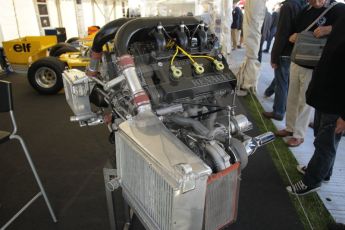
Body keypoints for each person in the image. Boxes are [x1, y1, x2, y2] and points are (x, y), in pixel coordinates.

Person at [286, 10, 345, 196]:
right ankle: (324, 172)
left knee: (325, 143)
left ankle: (311, 181)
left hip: (337, 101)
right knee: (323, 138)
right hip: (325, 92)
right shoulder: (342, 15)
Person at [275, 0, 344, 147]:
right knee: (292, 98)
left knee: (304, 102)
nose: (316, 1)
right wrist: (295, 35)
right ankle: (290, 128)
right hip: (298, 58)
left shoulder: (338, 8)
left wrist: (330, 28)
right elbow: (297, 28)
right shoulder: (305, 9)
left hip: (315, 65)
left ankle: (299, 134)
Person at [262, 0, 306, 121]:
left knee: (282, 82)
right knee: (284, 80)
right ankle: (271, 95)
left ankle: (279, 111)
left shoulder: (288, 6)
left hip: (285, 51)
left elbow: (282, 33)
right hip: (296, 51)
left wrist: (274, 57)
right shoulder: (304, 5)